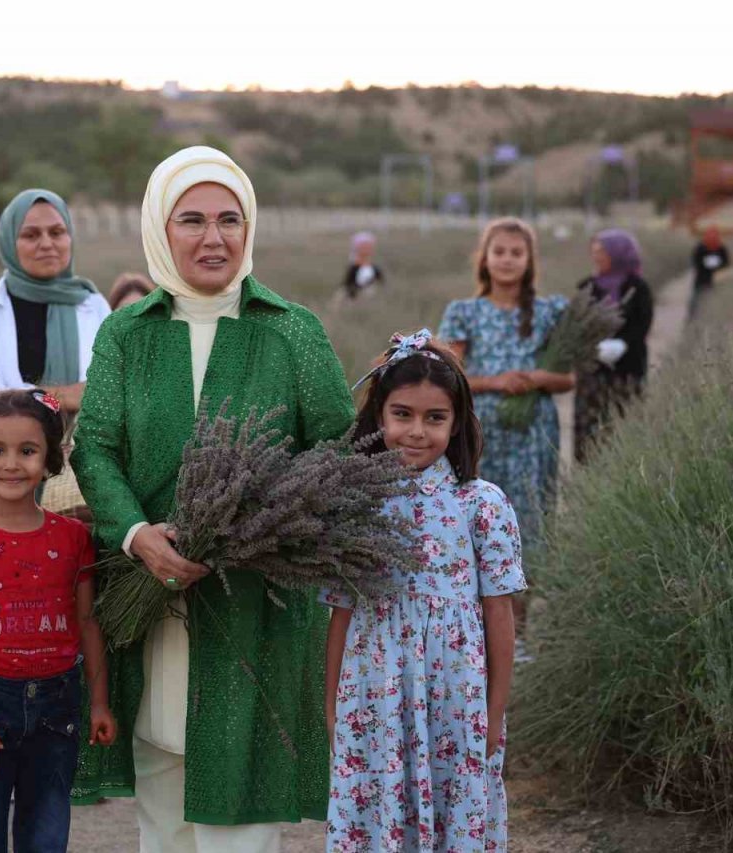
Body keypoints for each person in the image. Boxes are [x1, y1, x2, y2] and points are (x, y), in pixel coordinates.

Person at [71, 146, 355, 851]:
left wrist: (257, 527)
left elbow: (338, 450)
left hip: (256, 603)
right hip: (148, 599)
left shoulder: (292, 330)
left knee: (243, 811)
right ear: (160, 230)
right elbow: (94, 448)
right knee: (162, 797)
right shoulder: (126, 334)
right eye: (191, 219)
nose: (214, 237)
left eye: (230, 219)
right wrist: (139, 534)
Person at [323, 329, 525, 852]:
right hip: (374, 690)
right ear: (380, 417)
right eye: (402, 414)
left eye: (435, 418)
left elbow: (500, 616)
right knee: (376, 806)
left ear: (455, 423)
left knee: (455, 809)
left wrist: (495, 713)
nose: (417, 431)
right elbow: (342, 612)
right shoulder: (355, 503)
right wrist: (331, 706)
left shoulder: (481, 504)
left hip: (456, 695)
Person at [0, 388, 117, 852]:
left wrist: (97, 702)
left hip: (57, 711)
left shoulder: (74, 539)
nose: (11, 463)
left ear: (50, 460)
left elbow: (88, 622)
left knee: (45, 835)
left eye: (27, 451)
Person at [0, 189, 111, 518]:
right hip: (6, 472)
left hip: (80, 480)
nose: (47, 243)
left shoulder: (93, 305)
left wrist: (41, 396)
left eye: (57, 232)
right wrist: (62, 396)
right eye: (31, 234)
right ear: (10, 242)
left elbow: (112, 388)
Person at [438, 217, 572, 547]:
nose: (507, 259)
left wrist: (537, 379)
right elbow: (448, 376)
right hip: (481, 431)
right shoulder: (464, 313)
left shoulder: (550, 312)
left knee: (531, 517)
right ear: (485, 258)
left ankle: (525, 594)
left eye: (516, 252)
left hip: (533, 432)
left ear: (529, 261)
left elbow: (567, 379)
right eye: (499, 251)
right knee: (478, 516)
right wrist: (497, 383)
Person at [574, 230, 653, 462]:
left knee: (623, 426)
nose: (596, 256)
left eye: (602, 251)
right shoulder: (586, 287)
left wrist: (623, 343)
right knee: (590, 432)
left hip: (628, 371)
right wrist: (592, 347)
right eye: (594, 251)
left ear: (618, 254)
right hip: (592, 373)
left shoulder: (637, 287)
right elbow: (576, 325)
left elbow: (643, 323)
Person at [689, 226, 730, 320]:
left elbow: (726, 263)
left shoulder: (721, 249)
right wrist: (714, 263)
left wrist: (710, 264)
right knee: (696, 305)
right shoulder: (700, 248)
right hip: (701, 281)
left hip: (717, 282)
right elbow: (696, 263)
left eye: (714, 237)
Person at [340, 231, 385, 299]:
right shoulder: (353, 269)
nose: (366, 249)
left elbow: (381, 284)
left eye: (368, 246)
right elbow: (347, 288)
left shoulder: (375, 268)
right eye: (363, 246)